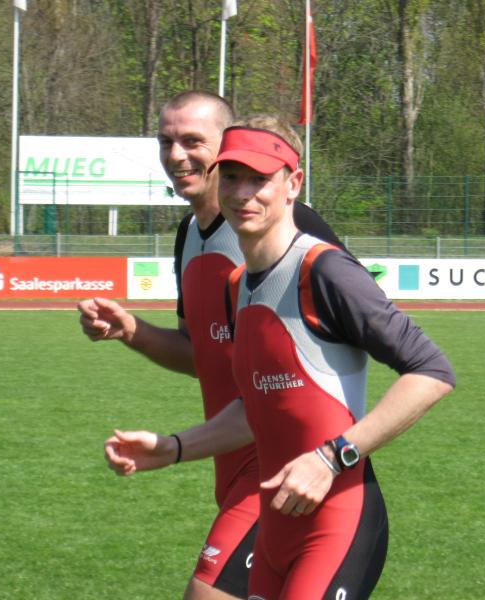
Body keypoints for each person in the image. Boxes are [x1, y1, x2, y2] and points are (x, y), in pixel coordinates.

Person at [106, 115, 456, 598]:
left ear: (293, 184)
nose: (242, 193)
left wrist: (333, 457)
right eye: (231, 177)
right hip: (275, 529)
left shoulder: (325, 271)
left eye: (259, 179)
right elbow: (256, 410)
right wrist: (173, 448)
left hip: (336, 523)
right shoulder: (238, 286)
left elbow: (432, 371)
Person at [78, 92, 343, 600]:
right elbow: (203, 356)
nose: (176, 155)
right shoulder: (189, 235)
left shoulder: (285, 225)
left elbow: (360, 327)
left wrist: (329, 451)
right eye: (166, 142)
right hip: (229, 462)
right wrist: (130, 330)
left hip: (285, 468)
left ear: (231, 147)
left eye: (192, 141)